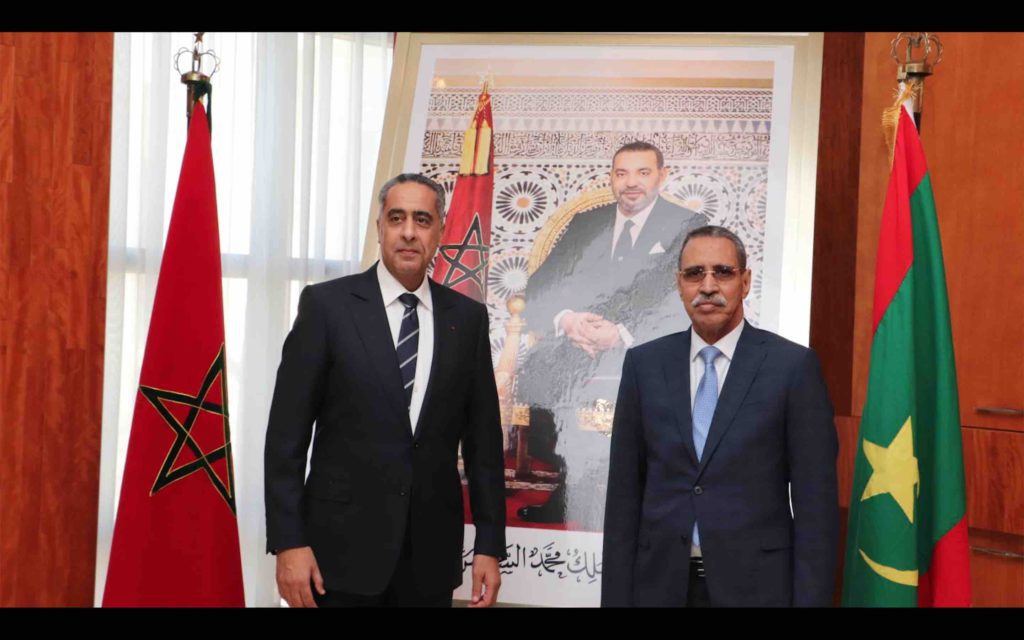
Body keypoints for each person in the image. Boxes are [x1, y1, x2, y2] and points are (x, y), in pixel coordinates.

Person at [264, 173, 506, 607]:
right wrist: (288, 541)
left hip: (429, 562)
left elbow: (483, 445)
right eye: (396, 218)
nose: (409, 232)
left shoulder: (467, 320)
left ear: (440, 231)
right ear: (379, 227)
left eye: (422, 220)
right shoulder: (327, 307)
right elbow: (286, 438)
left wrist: (489, 544)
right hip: (335, 559)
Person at [602, 225, 839, 607]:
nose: (708, 286)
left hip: (758, 592)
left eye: (723, 272)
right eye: (695, 273)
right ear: (679, 284)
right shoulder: (644, 366)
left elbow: (817, 509)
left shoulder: (792, 368)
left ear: (745, 282)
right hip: (659, 588)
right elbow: (623, 500)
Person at [516, 141, 706, 527]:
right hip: (577, 347)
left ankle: (636, 496)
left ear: (662, 176)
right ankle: (571, 489)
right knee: (535, 373)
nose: (631, 182)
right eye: (622, 173)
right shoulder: (585, 224)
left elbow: (691, 297)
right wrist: (568, 320)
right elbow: (539, 289)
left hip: (647, 348)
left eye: (642, 172)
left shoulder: (687, 225)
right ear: (611, 178)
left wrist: (621, 333)